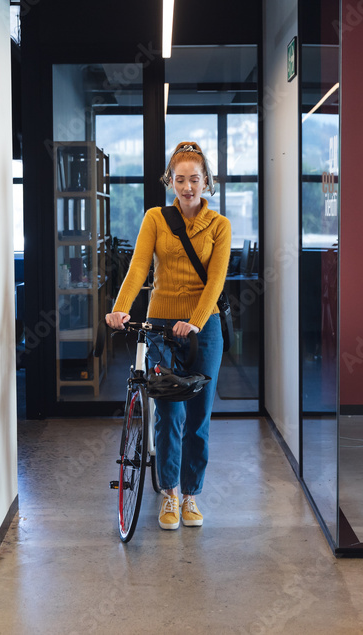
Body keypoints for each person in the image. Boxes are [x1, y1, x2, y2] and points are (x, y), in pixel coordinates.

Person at [105, 141, 231, 530]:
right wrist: (121, 307)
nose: (187, 187)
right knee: (169, 414)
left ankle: (192, 494)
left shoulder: (220, 226)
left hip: (203, 331)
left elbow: (215, 282)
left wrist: (193, 321)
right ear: (170, 181)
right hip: (160, 328)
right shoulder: (155, 219)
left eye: (195, 179)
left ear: (206, 181)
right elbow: (138, 266)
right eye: (180, 179)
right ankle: (169, 493)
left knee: (198, 417)